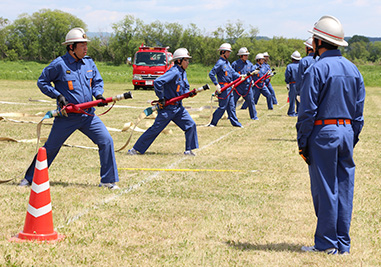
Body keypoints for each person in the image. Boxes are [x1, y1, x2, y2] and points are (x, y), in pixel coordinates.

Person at [297, 15, 365, 255]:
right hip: (347, 130)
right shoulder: (353, 69)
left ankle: (326, 243)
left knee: (325, 188)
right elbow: (359, 112)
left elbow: (307, 111)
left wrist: (302, 142)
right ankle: (342, 244)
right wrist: (351, 136)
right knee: (345, 187)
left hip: (323, 132)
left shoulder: (317, 68)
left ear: (318, 42)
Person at [19, 28, 119, 189]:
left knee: (106, 141)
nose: (86, 48)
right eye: (82, 45)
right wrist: (57, 95)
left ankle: (108, 180)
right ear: (71, 47)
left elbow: (97, 82)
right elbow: (42, 82)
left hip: (88, 115)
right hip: (67, 117)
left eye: (86, 45)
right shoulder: (59, 64)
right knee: (50, 148)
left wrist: (99, 95)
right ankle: (29, 178)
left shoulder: (89, 62)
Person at [127, 48, 198, 156]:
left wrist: (189, 93)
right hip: (168, 108)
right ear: (179, 60)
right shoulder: (174, 71)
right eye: (186, 60)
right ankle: (135, 149)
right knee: (155, 129)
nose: (188, 62)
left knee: (190, 125)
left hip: (178, 108)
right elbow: (158, 82)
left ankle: (189, 150)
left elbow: (184, 89)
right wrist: (162, 98)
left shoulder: (183, 72)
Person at [208, 43, 242, 127]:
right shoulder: (220, 63)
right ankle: (213, 123)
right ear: (223, 52)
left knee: (231, 107)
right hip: (224, 87)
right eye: (228, 52)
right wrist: (216, 84)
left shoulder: (227, 63)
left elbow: (233, 73)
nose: (229, 54)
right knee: (222, 107)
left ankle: (236, 123)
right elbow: (211, 73)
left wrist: (241, 76)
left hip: (229, 87)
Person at [231, 47, 259, 120]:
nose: (246, 56)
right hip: (238, 86)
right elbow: (231, 73)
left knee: (251, 101)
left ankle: (254, 116)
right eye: (245, 55)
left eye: (247, 55)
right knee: (233, 102)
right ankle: (231, 116)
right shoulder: (235, 64)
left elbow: (252, 72)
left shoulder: (249, 64)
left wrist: (255, 72)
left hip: (247, 86)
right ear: (241, 56)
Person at [285, 51, 301, 116]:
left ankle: (291, 112)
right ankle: (299, 112)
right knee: (299, 99)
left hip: (293, 83)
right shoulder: (301, 65)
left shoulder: (290, 66)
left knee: (292, 99)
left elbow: (287, 75)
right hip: (301, 84)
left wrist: (287, 82)